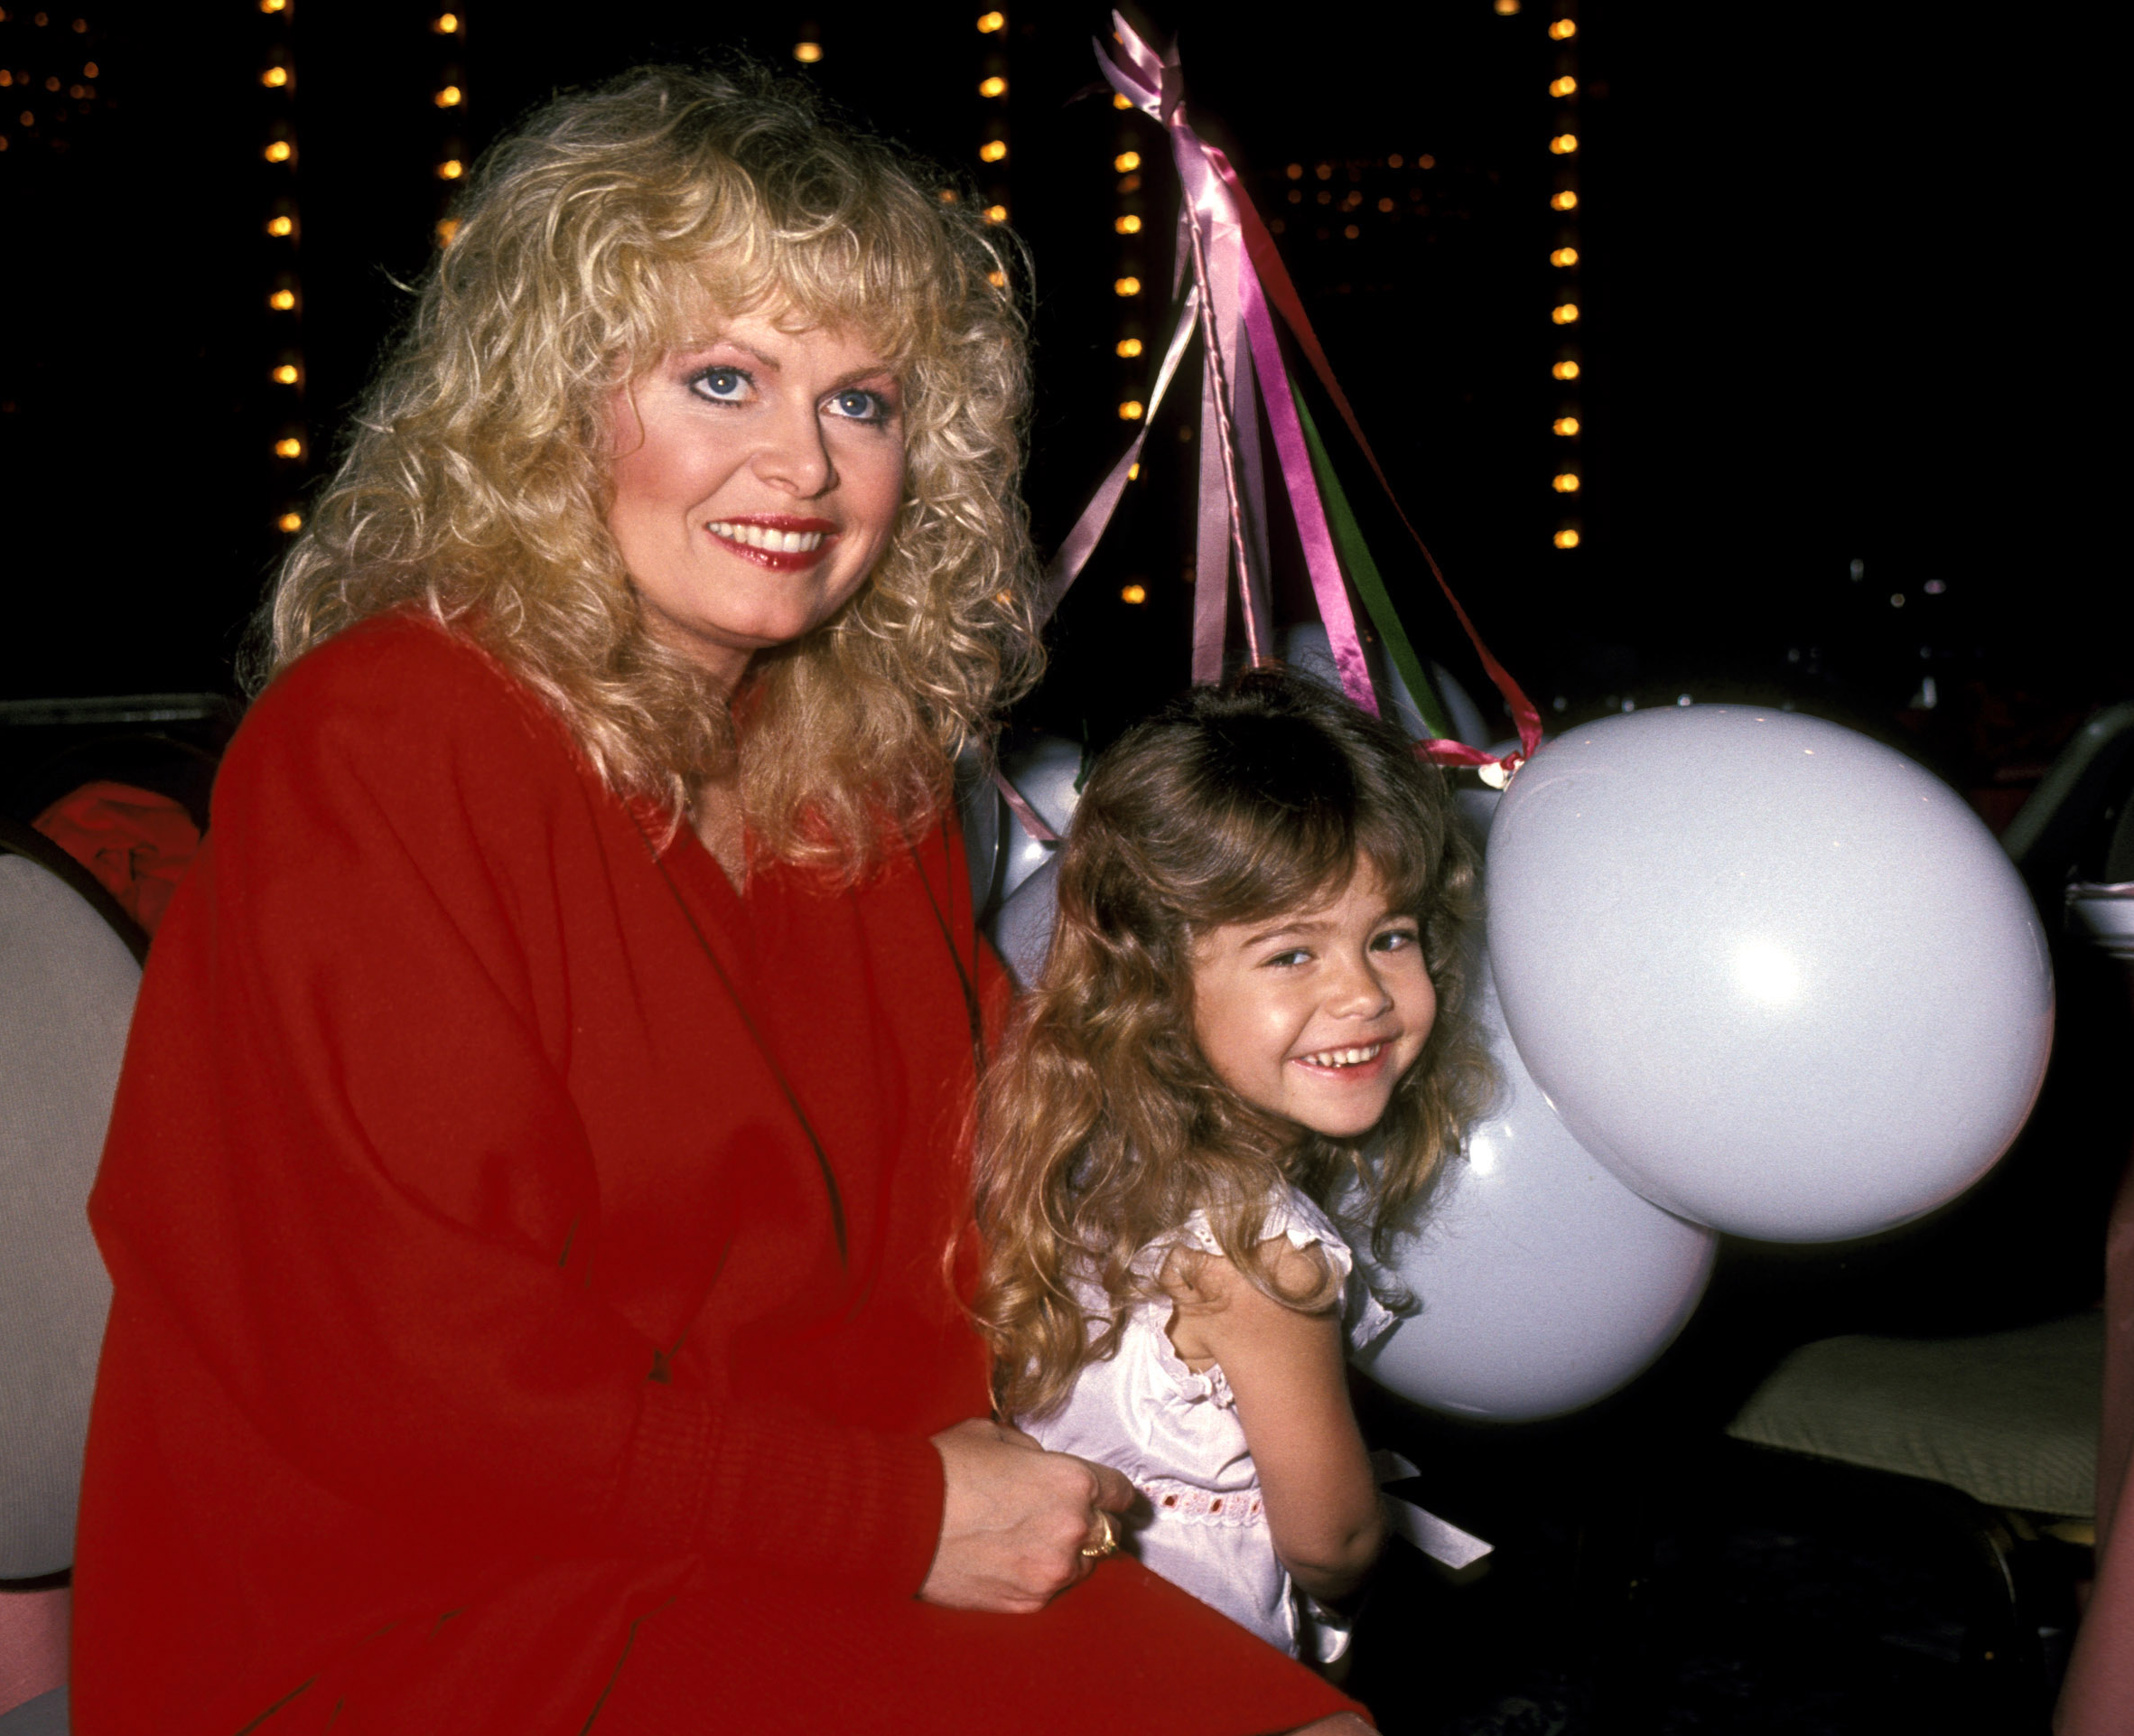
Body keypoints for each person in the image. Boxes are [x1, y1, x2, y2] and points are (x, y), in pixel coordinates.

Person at [71, 66, 1370, 1733]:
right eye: (723, 378)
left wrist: (1228, 1221)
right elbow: (411, 1383)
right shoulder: (383, 741)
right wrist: (899, 1516)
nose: (804, 469)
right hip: (434, 1602)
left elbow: (1001, 1167)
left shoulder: (862, 760)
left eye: (864, 403)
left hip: (799, 1519)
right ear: (556, 405)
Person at [972, 670, 1495, 1666]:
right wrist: (1366, 1568)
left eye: (1390, 936)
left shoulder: (1090, 1156)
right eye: (1292, 953)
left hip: (1055, 1617)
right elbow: (1330, 1540)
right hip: (1188, 1648)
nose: (1364, 995)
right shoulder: (1266, 1257)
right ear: (1157, 983)